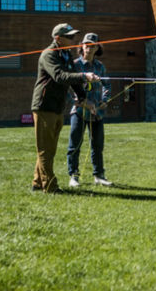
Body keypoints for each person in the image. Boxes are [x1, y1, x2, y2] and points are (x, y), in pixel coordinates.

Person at [31, 23, 100, 194]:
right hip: (44, 106)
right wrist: (84, 75)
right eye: (69, 37)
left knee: (50, 148)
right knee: (45, 149)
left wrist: (84, 98)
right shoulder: (49, 55)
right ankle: (50, 186)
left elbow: (73, 80)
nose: (73, 39)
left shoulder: (66, 55)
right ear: (58, 39)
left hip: (57, 107)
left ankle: (37, 182)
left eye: (73, 36)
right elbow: (60, 76)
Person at [67, 32, 113, 187]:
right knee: (75, 145)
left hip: (97, 113)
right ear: (82, 46)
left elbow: (107, 86)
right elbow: (69, 88)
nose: (89, 48)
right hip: (79, 112)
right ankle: (74, 176)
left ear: (96, 48)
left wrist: (105, 101)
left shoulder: (100, 67)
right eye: (86, 45)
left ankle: (99, 175)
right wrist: (83, 102)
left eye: (92, 46)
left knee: (97, 146)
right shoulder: (74, 65)